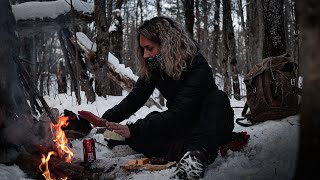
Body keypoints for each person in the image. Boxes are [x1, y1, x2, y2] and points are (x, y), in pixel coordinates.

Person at [78, 16, 234, 179]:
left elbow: (180, 111)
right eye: (142, 49)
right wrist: (105, 120)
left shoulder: (197, 66)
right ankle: (178, 149)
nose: (145, 55)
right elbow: (135, 98)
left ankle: (195, 159)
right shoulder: (155, 66)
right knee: (151, 121)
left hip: (208, 123)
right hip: (182, 126)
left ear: (167, 45)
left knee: (218, 100)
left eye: (149, 48)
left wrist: (133, 130)